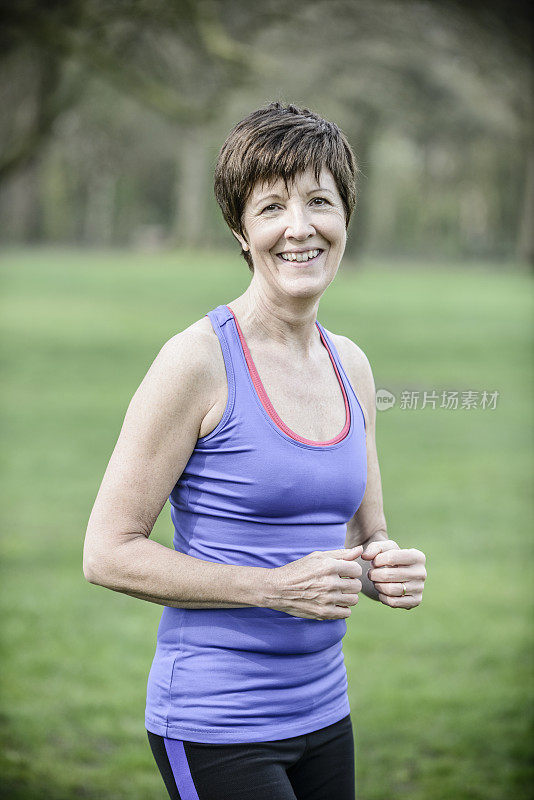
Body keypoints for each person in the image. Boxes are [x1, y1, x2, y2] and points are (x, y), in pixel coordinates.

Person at [83, 101, 427, 800]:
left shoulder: (350, 365)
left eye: (319, 202)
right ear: (241, 231)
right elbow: (107, 551)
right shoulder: (196, 362)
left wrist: (386, 568)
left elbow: (366, 534)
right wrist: (271, 588)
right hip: (215, 722)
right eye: (271, 207)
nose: (299, 227)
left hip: (326, 711)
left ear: (346, 218)